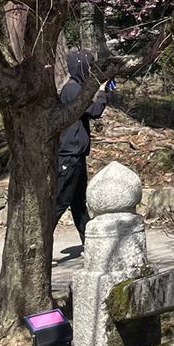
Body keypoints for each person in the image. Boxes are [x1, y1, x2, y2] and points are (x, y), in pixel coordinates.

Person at [54, 49, 115, 246]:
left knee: (78, 203)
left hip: (76, 154)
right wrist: (103, 92)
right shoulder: (72, 90)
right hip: (68, 155)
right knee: (60, 202)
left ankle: (89, 243)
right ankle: (40, 241)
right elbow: (95, 110)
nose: (91, 72)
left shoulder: (76, 88)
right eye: (89, 67)